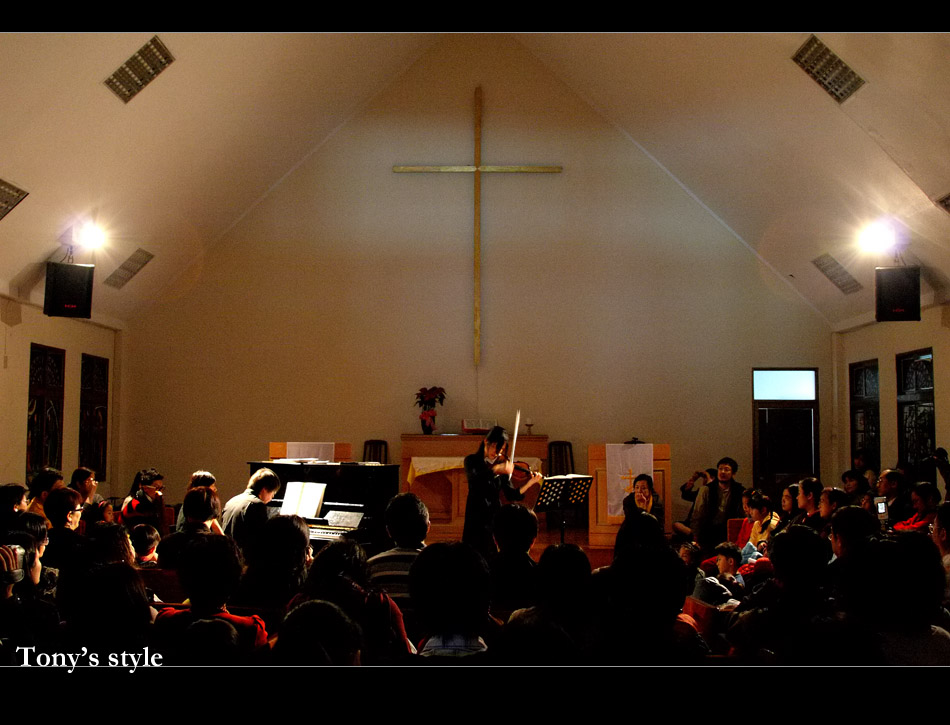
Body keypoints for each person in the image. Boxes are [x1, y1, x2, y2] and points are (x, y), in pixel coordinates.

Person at [462, 426, 541, 561]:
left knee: (492, 554)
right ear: (486, 442)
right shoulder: (471, 461)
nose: (498, 452)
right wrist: (496, 470)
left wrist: (530, 483)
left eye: (502, 449)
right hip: (475, 514)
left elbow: (512, 494)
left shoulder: (501, 466)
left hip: (493, 515)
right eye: (495, 447)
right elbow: (476, 480)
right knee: (473, 554)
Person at [222, 467, 282, 557]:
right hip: (244, 558)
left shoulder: (231, 501)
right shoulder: (257, 505)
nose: (272, 497)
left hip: (228, 555)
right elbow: (261, 539)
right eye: (273, 493)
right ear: (265, 490)